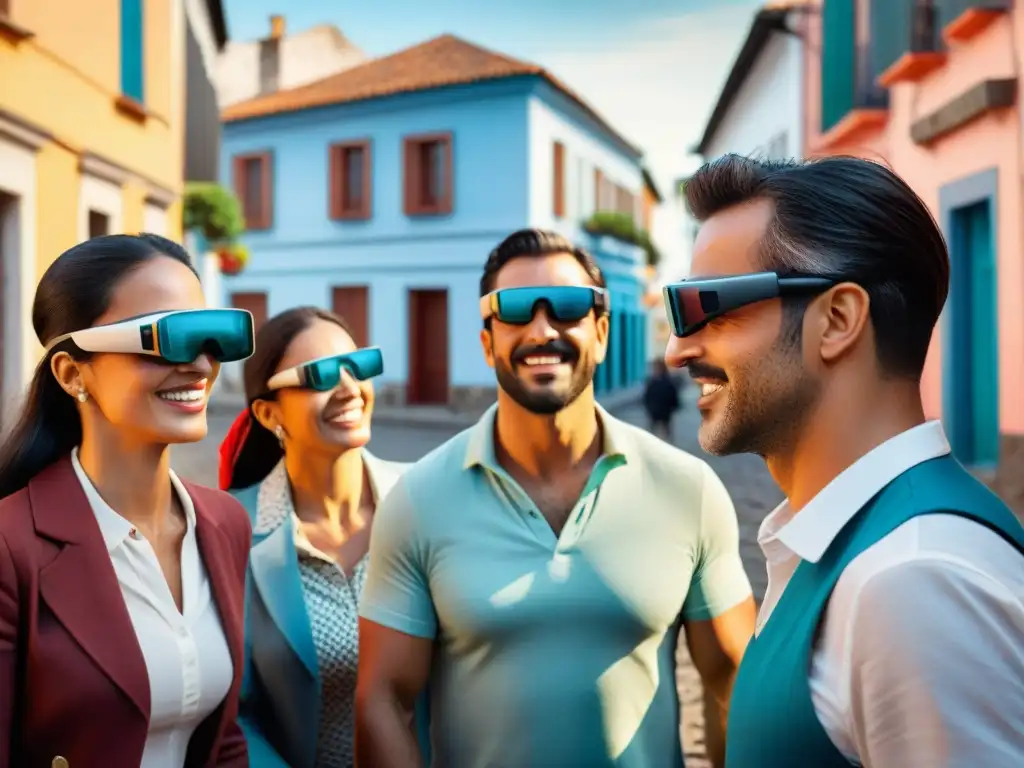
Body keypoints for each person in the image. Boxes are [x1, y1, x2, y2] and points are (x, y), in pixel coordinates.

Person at [664, 154, 1024, 767]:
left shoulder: (911, 580)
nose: (678, 349)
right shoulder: (849, 547)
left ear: (837, 320)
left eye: (708, 306)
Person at [356, 228, 756, 768]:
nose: (542, 330)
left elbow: (732, 684)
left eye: (568, 307)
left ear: (602, 332)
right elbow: (382, 699)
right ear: (487, 341)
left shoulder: (689, 489)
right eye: (516, 311)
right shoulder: (419, 499)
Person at [0, 234, 255, 767]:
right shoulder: (10, 546)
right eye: (167, 338)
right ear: (73, 374)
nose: (202, 366)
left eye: (212, 338)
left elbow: (223, 741)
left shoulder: (224, 523)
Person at [218, 306, 426, 768]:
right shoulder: (229, 528)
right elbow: (230, 715)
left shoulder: (426, 503)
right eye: (319, 375)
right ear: (269, 412)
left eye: (358, 367)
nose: (349, 388)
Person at [643, 358, 681, 442]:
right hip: (655, 411)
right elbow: (647, 396)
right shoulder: (652, 381)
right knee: (655, 431)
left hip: (664, 411)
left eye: (657, 367)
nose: (655, 370)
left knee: (664, 430)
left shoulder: (666, 381)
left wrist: (673, 406)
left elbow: (673, 396)